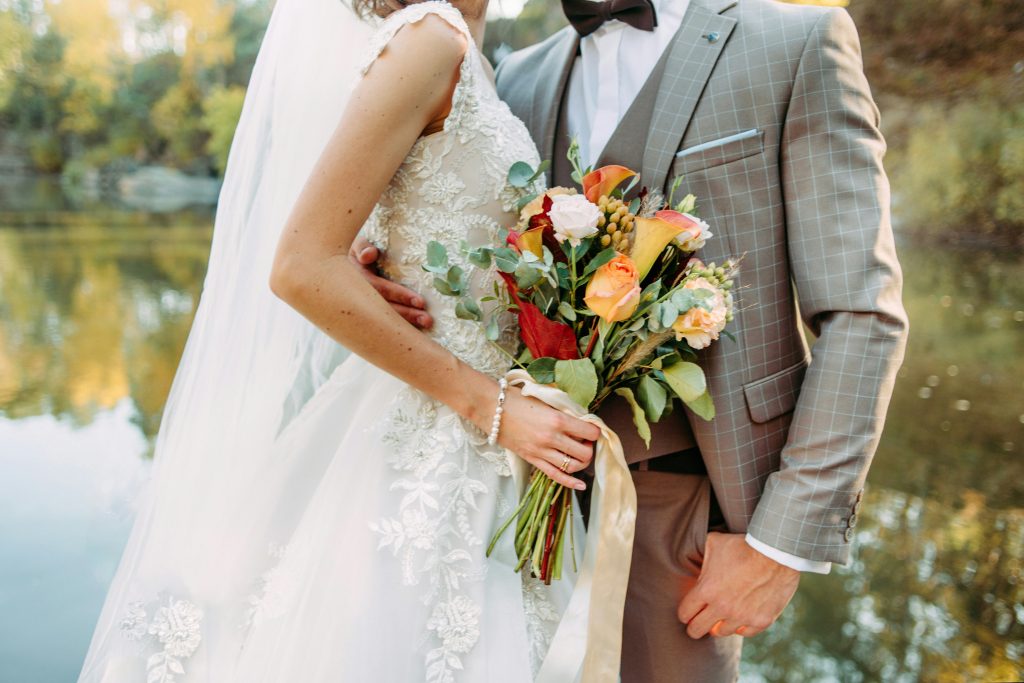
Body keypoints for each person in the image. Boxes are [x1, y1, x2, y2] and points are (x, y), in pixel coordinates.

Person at [354, 0, 909, 680]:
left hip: (684, 519)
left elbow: (862, 313)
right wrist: (381, 256)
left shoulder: (793, 43)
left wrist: (779, 543)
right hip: (504, 505)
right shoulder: (519, 73)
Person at [78, 0, 604, 680]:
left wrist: (371, 250)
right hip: (445, 425)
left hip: (488, 446)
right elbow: (299, 265)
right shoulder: (428, 40)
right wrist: (493, 408)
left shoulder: (466, 50)